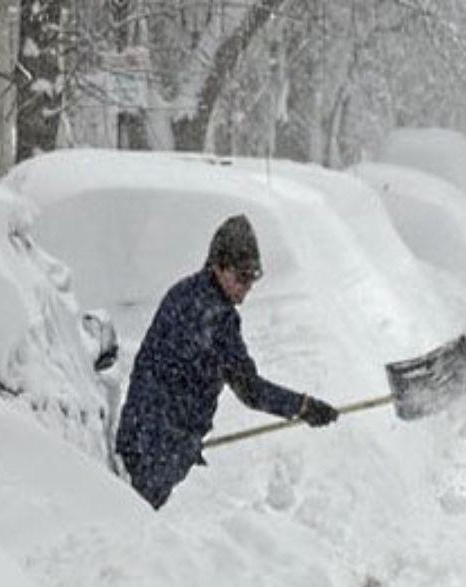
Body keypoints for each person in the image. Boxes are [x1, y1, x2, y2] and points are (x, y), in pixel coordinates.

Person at [115, 214, 338, 509]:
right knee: (142, 529)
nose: (248, 286)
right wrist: (304, 407)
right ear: (218, 266)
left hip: (140, 434)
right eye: (242, 276)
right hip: (159, 449)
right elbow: (251, 391)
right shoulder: (216, 318)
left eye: (253, 277)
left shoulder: (185, 292)